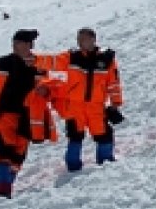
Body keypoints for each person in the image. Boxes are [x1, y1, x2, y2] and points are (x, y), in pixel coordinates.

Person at [0, 29, 62, 198]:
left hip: (29, 116)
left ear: (29, 45)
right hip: (4, 113)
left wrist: (48, 94)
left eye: (19, 43)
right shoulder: (1, 64)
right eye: (14, 43)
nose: (15, 46)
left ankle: (8, 182)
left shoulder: (40, 67)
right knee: (5, 148)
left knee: (19, 153)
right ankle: (3, 190)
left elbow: (47, 90)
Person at [41, 28, 125, 171]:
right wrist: (33, 59)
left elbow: (113, 83)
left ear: (93, 39)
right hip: (75, 106)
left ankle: (105, 164)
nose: (80, 42)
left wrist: (115, 103)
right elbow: (53, 61)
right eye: (78, 39)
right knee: (75, 136)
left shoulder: (107, 59)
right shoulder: (72, 56)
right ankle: (73, 167)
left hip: (96, 106)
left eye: (83, 39)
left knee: (103, 134)